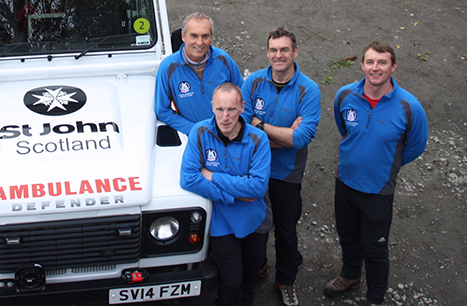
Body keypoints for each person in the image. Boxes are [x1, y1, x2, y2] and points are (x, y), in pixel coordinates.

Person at [325, 41, 428, 306]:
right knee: (347, 235)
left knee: (375, 249)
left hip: (378, 191)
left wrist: (386, 163)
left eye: (382, 62)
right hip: (345, 183)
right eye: (370, 62)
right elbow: (344, 128)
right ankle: (350, 275)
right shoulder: (345, 96)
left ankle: (375, 297)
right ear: (362, 65)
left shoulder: (409, 107)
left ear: (393, 66)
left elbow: (415, 145)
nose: (375, 68)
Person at [241, 27, 321, 306]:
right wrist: (281, 135)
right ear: (267, 52)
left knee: (286, 231)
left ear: (295, 52)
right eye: (274, 50)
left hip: (287, 173)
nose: (279, 55)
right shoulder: (252, 82)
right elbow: (241, 130)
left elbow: (300, 139)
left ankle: (285, 281)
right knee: (256, 226)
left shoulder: (308, 90)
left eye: (284, 49)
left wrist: (260, 128)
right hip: (254, 170)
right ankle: (259, 267)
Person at [181, 83, 272, 306]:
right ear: (212, 107)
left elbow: (257, 188)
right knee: (231, 282)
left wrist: (213, 176)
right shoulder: (200, 132)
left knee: (251, 278)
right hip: (222, 223)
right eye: (220, 109)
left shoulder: (259, 139)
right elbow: (189, 178)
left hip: (255, 221)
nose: (225, 117)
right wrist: (232, 195)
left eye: (231, 109)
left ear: (242, 108)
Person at [155, 12, 244, 136]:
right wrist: (195, 130)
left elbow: (244, 96)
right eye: (194, 36)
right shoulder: (168, 67)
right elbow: (162, 110)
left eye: (205, 36)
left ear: (211, 38)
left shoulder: (223, 60)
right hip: (196, 139)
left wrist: (237, 126)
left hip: (229, 135)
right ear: (183, 36)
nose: (200, 42)